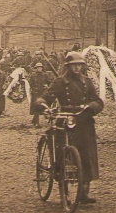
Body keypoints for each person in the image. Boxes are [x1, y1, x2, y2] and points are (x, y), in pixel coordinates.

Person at [35, 51, 104, 203]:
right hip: (65, 120)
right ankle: (63, 187)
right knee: (62, 154)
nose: (77, 68)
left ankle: (84, 192)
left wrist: (91, 106)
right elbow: (45, 97)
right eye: (74, 65)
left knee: (87, 156)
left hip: (84, 121)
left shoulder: (87, 82)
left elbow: (98, 101)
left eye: (79, 65)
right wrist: (43, 105)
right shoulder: (60, 82)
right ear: (68, 66)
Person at [28, 62, 51, 127]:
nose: (39, 69)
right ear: (36, 68)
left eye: (40, 67)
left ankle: (34, 120)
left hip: (42, 93)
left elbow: (49, 82)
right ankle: (36, 122)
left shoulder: (45, 75)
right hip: (35, 93)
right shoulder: (33, 75)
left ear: (42, 68)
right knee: (36, 106)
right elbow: (30, 83)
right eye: (38, 68)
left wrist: (47, 87)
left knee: (41, 106)